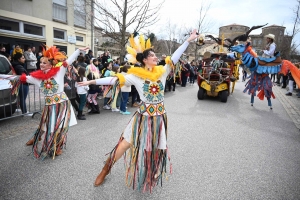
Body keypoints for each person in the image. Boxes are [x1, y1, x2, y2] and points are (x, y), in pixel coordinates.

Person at [78, 30, 198, 192]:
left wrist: (188, 41)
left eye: (156, 56)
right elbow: (114, 79)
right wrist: (91, 81)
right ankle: (106, 169)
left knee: (155, 148)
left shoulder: (162, 71)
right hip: (142, 119)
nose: (157, 58)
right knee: (124, 145)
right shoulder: (135, 76)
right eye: (153, 56)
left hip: (158, 118)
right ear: (145, 60)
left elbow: (175, 56)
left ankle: (151, 171)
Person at [18, 46, 89, 159]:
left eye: (44, 62)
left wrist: (78, 50)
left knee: (60, 126)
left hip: (61, 105)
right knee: (44, 125)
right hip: (49, 106)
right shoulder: (36, 78)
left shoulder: (59, 72)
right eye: (40, 62)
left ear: (51, 64)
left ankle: (57, 146)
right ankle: (37, 138)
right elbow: (20, 78)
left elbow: (68, 60)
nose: (41, 64)